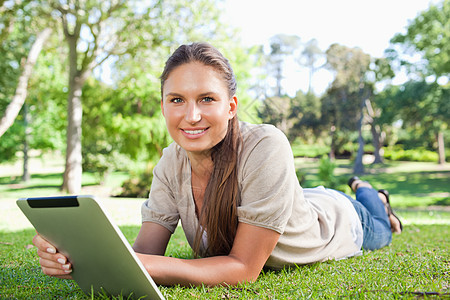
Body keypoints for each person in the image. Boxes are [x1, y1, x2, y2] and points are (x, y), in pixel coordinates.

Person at [33, 42, 403, 287]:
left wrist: (140, 265)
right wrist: (75, 256)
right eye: (177, 99)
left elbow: (243, 269)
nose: (191, 115)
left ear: (230, 106)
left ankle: (372, 194)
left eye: (206, 98)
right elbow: (147, 252)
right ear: (163, 106)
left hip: (343, 221)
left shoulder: (266, 144)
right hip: (295, 202)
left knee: (378, 222)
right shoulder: (170, 163)